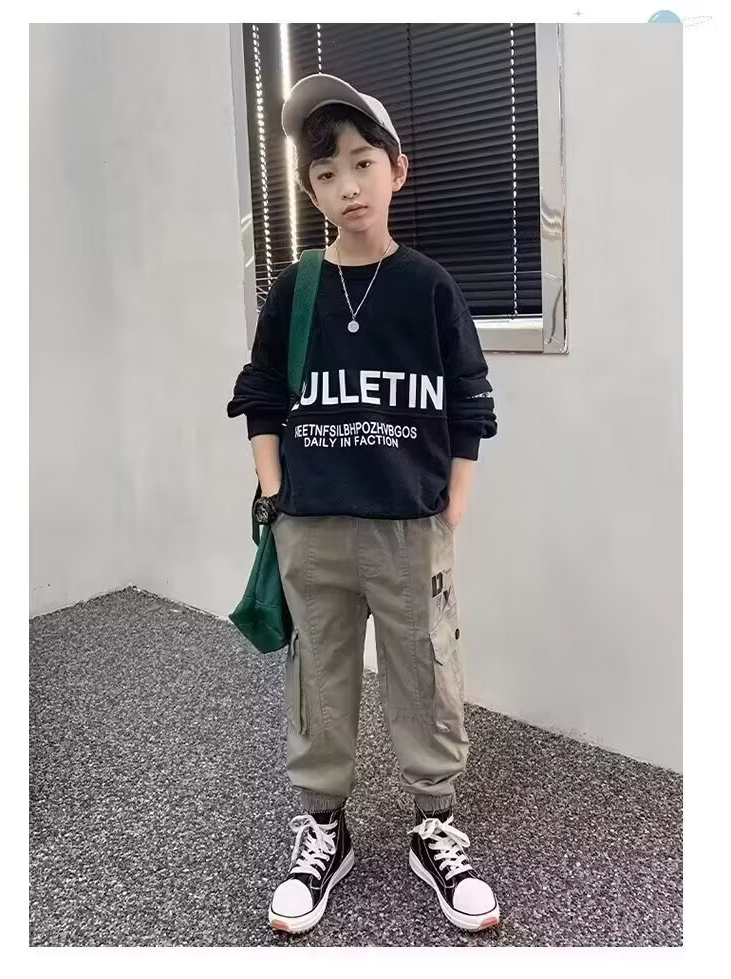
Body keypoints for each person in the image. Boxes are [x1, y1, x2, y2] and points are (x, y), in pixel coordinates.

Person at [227, 73, 500, 936]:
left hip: (410, 528)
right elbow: (261, 393)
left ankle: (433, 826)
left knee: (426, 671)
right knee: (320, 675)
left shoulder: (429, 287)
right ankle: (324, 827)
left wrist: (451, 507)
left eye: (361, 163)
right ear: (310, 191)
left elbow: (470, 401)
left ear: (397, 170)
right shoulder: (296, 288)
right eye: (326, 173)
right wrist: (278, 492)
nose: (347, 185)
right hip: (312, 526)